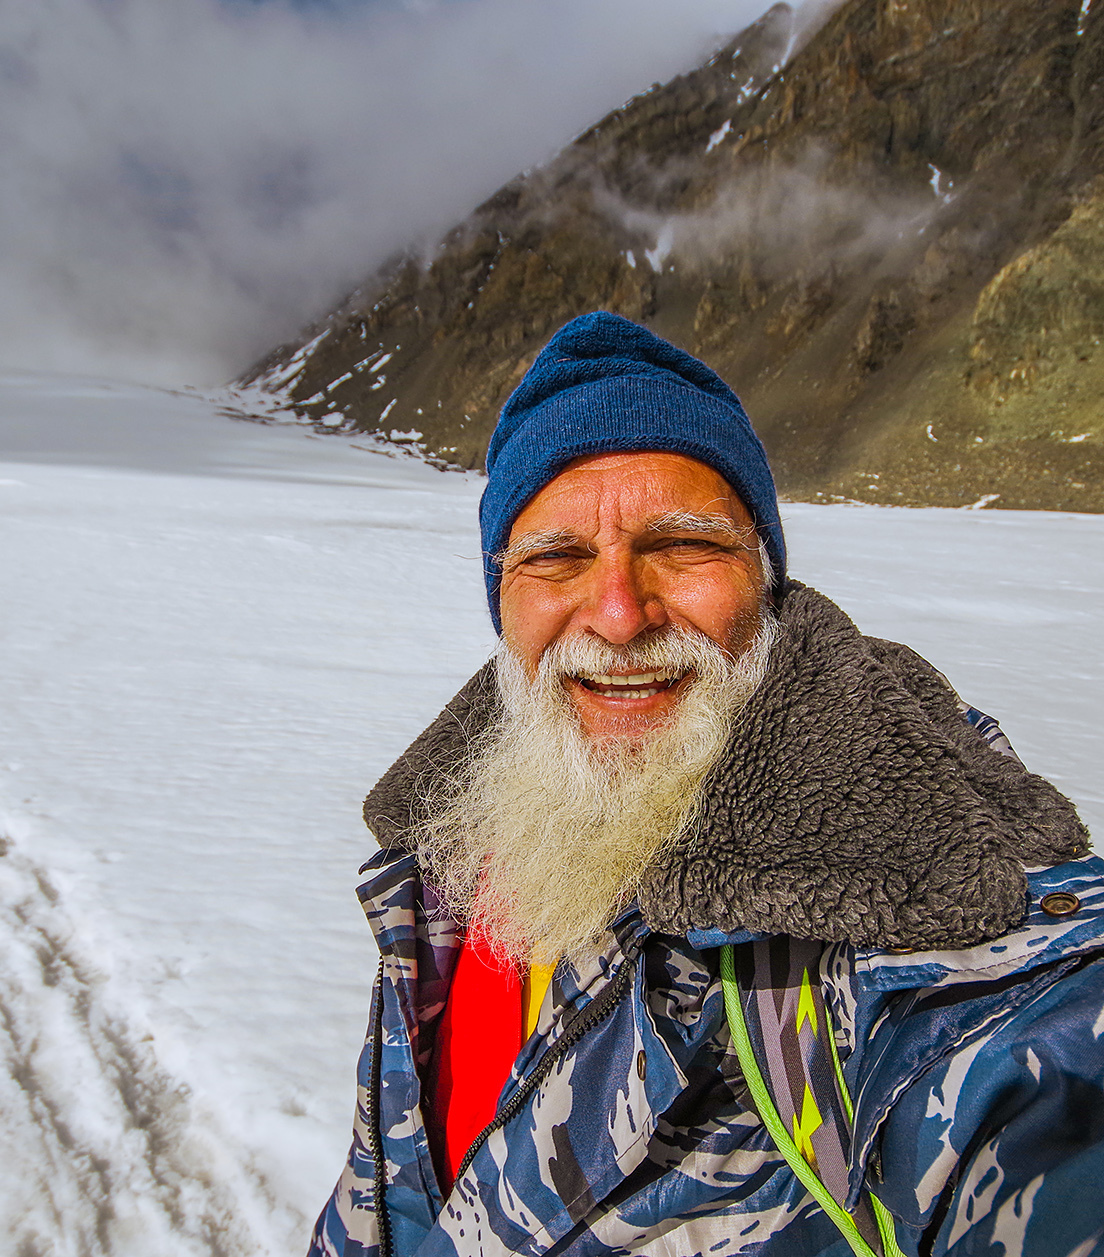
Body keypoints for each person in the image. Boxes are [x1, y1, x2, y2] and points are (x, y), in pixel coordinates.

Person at [308, 312, 1102, 1257]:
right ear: (502, 595)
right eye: (556, 557)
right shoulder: (447, 844)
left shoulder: (930, 905)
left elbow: (1031, 1066)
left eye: (683, 546)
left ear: (764, 578)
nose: (616, 614)